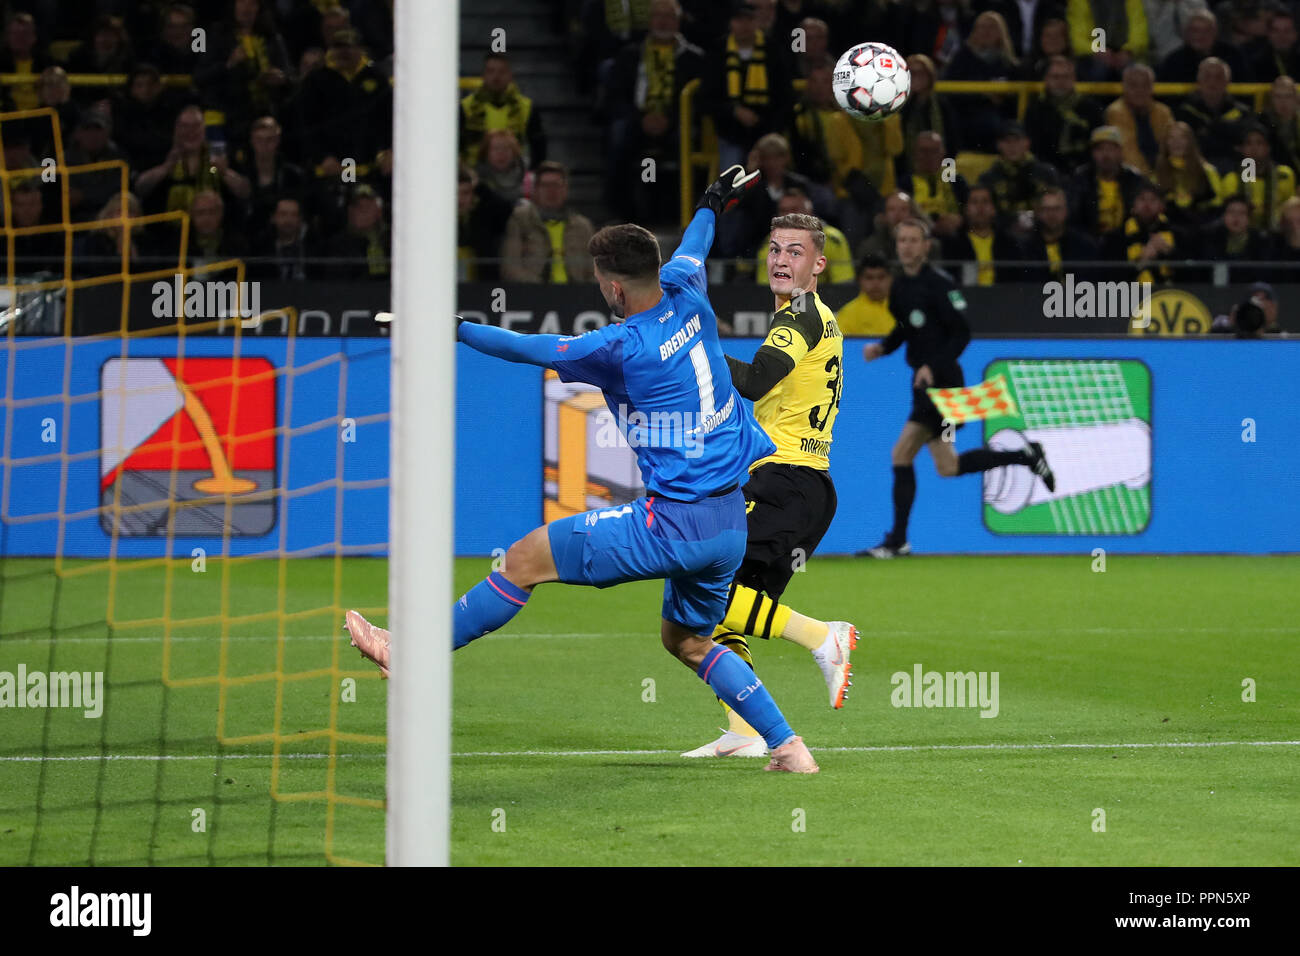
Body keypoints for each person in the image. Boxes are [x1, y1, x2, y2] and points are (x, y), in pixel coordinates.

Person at [346, 167, 821, 773]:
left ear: (617, 290)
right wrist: (712, 202)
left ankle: (406, 653)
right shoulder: (688, 290)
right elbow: (695, 245)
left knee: (521, 561)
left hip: (672, 524)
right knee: (688, 639)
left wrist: (452, 329)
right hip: (729, 523)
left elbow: (530, 348)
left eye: (602, 282)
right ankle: (789, 747)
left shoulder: (619, 347)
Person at [683, 209, 859, 758]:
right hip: (797, 485)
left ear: (819, 263)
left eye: (795, 251)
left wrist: (694, 348)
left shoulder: (799, 315)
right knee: (724, 608)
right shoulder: (814, 315)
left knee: (701, 596)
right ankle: (743, 731)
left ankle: (823, 637)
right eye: (775, 249)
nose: (781, 260)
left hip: (786, 483)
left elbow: (757, 381)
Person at [859, 217, 1055, 558]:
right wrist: (884, 348)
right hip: (923, 385)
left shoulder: (940, 284)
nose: (906, 246)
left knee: (901, 453)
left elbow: (962, 333)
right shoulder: (901, 287)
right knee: (947, 466)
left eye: (912, 240)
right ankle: (1026, 456)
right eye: (901, 240)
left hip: (944, 385)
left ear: (925, 246)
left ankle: (897, 542)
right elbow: (907, 327)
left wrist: (932, 366)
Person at [501, 161, 595, 284]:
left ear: (566, 189)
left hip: (577, 296)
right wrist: (540, 290)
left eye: (557, 185)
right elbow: (510, 267)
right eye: (545, 185)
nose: (551, 191)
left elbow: (595, 271)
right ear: (535, 189)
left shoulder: (583, 226)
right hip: (533, 295)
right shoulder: (520, 220)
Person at [1024, 55, 1105, 175]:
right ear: (1046, 79)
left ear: (1074, 79)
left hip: (1086, 175)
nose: (1061, 82)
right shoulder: (1035, 109)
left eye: (1066, 77)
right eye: (1056, 77)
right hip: (1047, 174)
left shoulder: (1090, 108)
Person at [754, 189, 852, 283]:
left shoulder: (831, 239)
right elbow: (765, 289)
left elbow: (843, 284)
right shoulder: (770, 244)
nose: (789, 215)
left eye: (794, 209)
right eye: (784, 210)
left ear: (809, 211)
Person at [1068, 125, 1149, 237]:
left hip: (1127, 241)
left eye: (1110, 149)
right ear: (1092, 153)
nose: (1105, 155)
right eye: (1100, 149)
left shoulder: (1134, 178)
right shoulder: (1081, 178)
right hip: (1090, 241)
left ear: (1120, 151)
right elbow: (1074, 217)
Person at [1174, 57, 1253, 172]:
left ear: (1227, 81)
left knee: (1251, 161)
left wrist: (1207, 134)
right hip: (1198, 171)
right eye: (1207, 77)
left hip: (1236, 174)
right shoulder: (1184, 113)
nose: (1212, 82)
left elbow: (1247, 147)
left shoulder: (1242, 112)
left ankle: (1250, 189)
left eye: (1219, 77)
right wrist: (1228, 139)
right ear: (1198, 81)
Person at [941, 184, 1022, 284]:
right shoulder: (952, 243)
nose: (980, 207)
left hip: (1002, 297)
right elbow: (948, 285)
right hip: (966, 297)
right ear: (965, 209)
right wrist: (959, 300)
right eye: (974, 202)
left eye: (985, 201)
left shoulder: (1009, 243)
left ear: (994, 209)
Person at [1104, 63, 1175, 176]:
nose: (1140, 90)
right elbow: (1128, 154)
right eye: (1133, 85)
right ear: (1124, 87)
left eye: (1145, 85)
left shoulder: (1163, 112)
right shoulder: (1115, 112)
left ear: (1152, 87)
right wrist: (1149, 181)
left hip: (1164, 178)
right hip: (1133, 179)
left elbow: (1173, 147)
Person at [1017, 185, 1100, 282]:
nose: (1052, 214)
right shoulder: (1024, 248)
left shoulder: (1084, 245)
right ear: (1037, 212)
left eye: (1057, 208)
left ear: (1066, 211)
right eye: (1046, 209)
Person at [902, 130, 968, 239]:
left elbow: (968, 209)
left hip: (955, 236)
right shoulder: (905, 183)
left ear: (943, 152)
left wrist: (960, 219)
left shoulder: (955, 179)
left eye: (935, 151)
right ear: (915, 153)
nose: (929, 156)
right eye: (924, 151)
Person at [836, 254, 896, 336]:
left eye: (881, 277)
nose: (876, 283)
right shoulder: (848, 314)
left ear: (891, 279)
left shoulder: (903, 308)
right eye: (869, 278)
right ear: (859, 280)